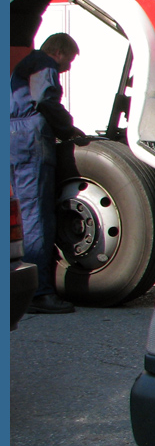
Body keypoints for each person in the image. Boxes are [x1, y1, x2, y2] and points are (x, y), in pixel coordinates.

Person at [10, 32, 85, 314]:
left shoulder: (21, 66)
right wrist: (68, 129)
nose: (67, 68)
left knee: (16, 215)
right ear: (59, 51)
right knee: (36, 217)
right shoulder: (43, 63)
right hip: (29, 137)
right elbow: (45, 100)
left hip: (11, 137)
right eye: (69, 60)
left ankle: (17, 286)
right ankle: (39, 293)